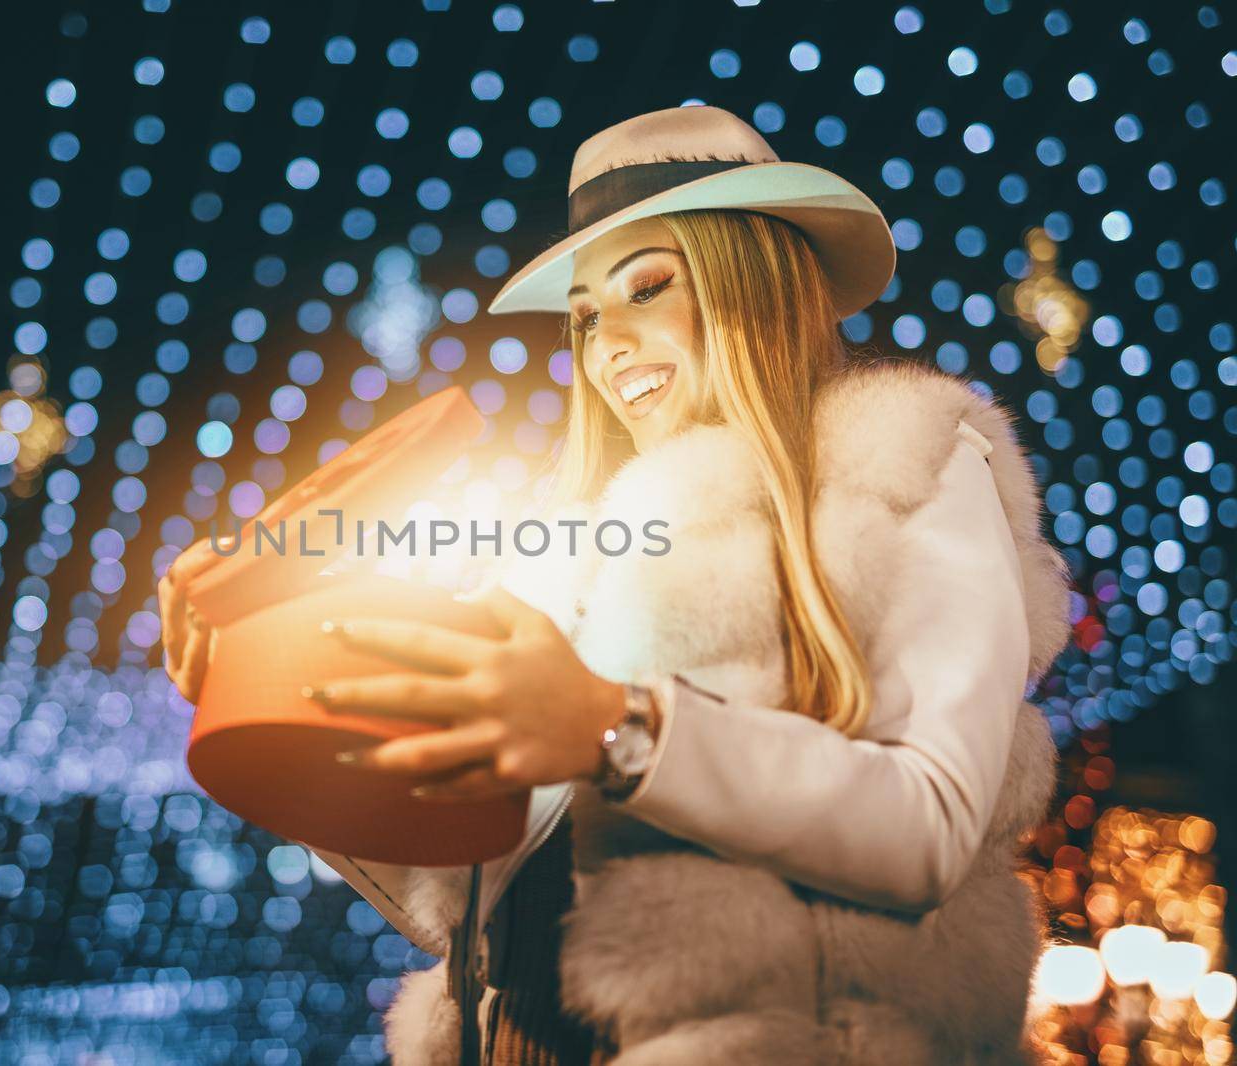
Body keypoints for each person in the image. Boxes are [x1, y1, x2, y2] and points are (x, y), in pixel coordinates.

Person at [161, 106, 1073, 1065]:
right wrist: (277, 705)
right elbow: (469, 901)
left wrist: (616, 728)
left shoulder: (905, 463)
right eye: (588, 315)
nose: (608, 344)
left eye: (647, 287)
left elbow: (926, 823)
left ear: (750, 280)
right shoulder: (564, 552)